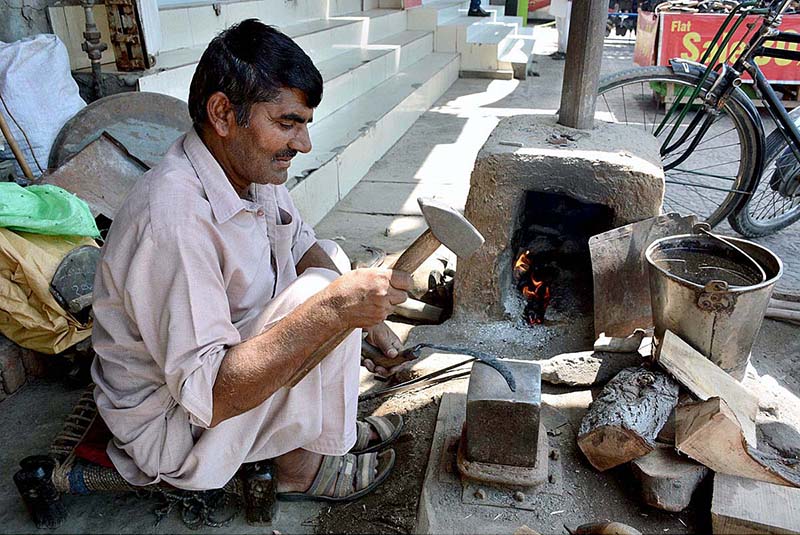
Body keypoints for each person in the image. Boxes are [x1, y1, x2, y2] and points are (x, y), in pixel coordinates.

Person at [90, 19, 413, 502]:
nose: (303, 145)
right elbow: (210, 395)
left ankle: (324, 436)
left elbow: (305, 246)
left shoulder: (245, 171)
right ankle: (299, 469)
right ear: (222, 114)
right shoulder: (174, 220)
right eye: (286, 124)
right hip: (173, 425)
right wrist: (336, 312)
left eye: (304, 125)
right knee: (323, 297)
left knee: (333, 269)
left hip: (221, 370)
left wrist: (365, 325)